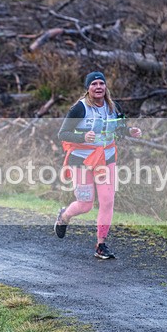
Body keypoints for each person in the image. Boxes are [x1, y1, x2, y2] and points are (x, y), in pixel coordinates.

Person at [54, 71, 141, 259]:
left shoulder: (113, 106)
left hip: (106, 159)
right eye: (94, 84)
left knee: (108, 200)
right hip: (81, 161)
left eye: (101, 83)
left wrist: (130, 131)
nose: (98, 87)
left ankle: (101, 245)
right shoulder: (79, 108)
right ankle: (64, 216)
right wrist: (82, 137)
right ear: (88, 88)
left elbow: (119, 128)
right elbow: (63, 134)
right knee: (85, 204)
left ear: (105, 87)